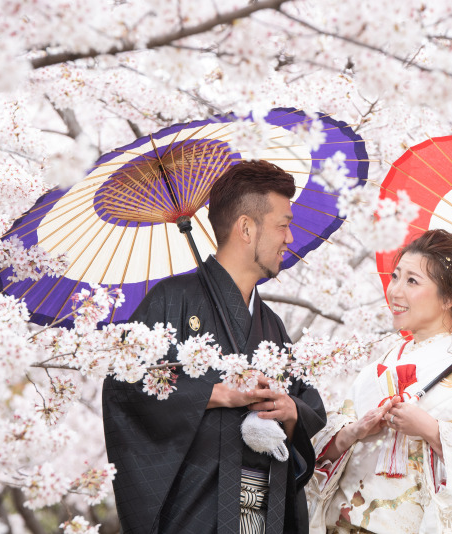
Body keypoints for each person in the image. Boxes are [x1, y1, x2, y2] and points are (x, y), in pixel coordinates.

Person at [102, 160, 327, 534]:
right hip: (196, 512)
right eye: (283, 226)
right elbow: (124, 387)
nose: (290, 238)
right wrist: (217, 392)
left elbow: (309, 404)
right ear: (245, 228)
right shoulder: (171, 301)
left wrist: (289, 410)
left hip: (263, 515)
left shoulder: (271, 324)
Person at [306, 229, 452, 533]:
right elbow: (325, 447)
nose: (395, 291)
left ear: (448, 298)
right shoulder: (382, 362)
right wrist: (353, 432)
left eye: (412, 281)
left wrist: (430, 429)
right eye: (396, 276)